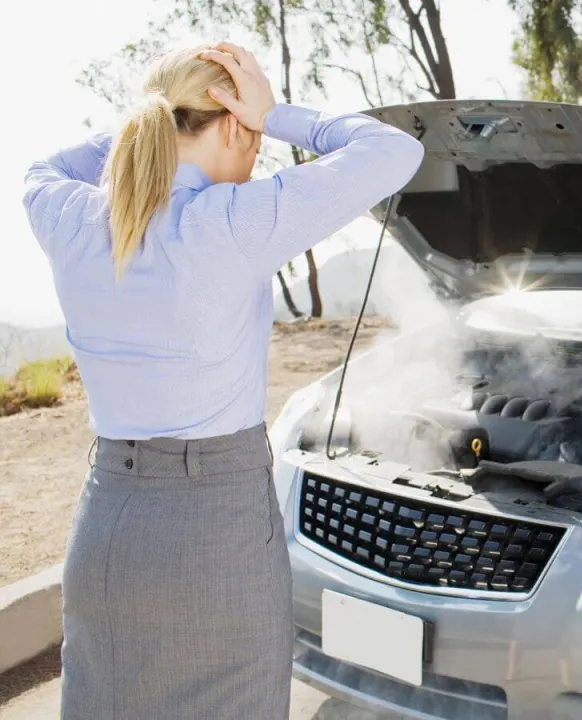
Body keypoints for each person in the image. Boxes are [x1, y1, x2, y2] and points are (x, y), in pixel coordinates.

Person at [22, 42, 424, 718]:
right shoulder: (230, 223)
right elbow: (394, 153)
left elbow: (43, 169)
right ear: (236, 125)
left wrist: (148, 117)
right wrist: (280, 111)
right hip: (216, 529)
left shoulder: (75, 219)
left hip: (109, 527)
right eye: (256, 139)